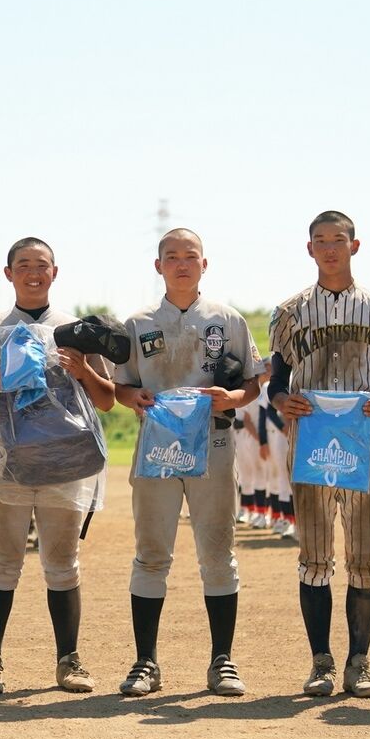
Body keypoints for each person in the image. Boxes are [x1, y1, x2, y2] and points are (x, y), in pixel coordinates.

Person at [0, 237, 116, 694]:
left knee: (63, 564)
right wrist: (3, 375)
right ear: (8, 274)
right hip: (8, 466)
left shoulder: (75, 330)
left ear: (54, 273)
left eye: (41, 265)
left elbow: (106, 401)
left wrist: (84, 370)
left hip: (68, 466)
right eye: (23, 265)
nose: (33, 272)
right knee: (2, 563)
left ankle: (69, 661)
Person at [113, 229, 264, 697]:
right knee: (151, 552)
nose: (182, 264)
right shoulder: (137, 323)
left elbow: (252, 382)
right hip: (157, 449)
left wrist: (233, 398)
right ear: (158, 265)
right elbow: (121, 385)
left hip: (213, 446)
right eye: (172, 256)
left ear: (204, 264)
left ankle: (222, 661)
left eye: (190, 256)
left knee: (217, 552)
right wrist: (131, 397)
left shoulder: (228, 319)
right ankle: (145, 662)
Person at [268, 211, 370, 698]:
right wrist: (281, 401)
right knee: (313, 557)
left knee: (365, 556)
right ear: (309, 248)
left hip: (362, 446)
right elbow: (277, 382)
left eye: (338, 239)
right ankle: (321, 663)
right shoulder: (289, 313)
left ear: (354, 245)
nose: (330, 248)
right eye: (320, 240)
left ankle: (359, 662)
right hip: (309, 445)